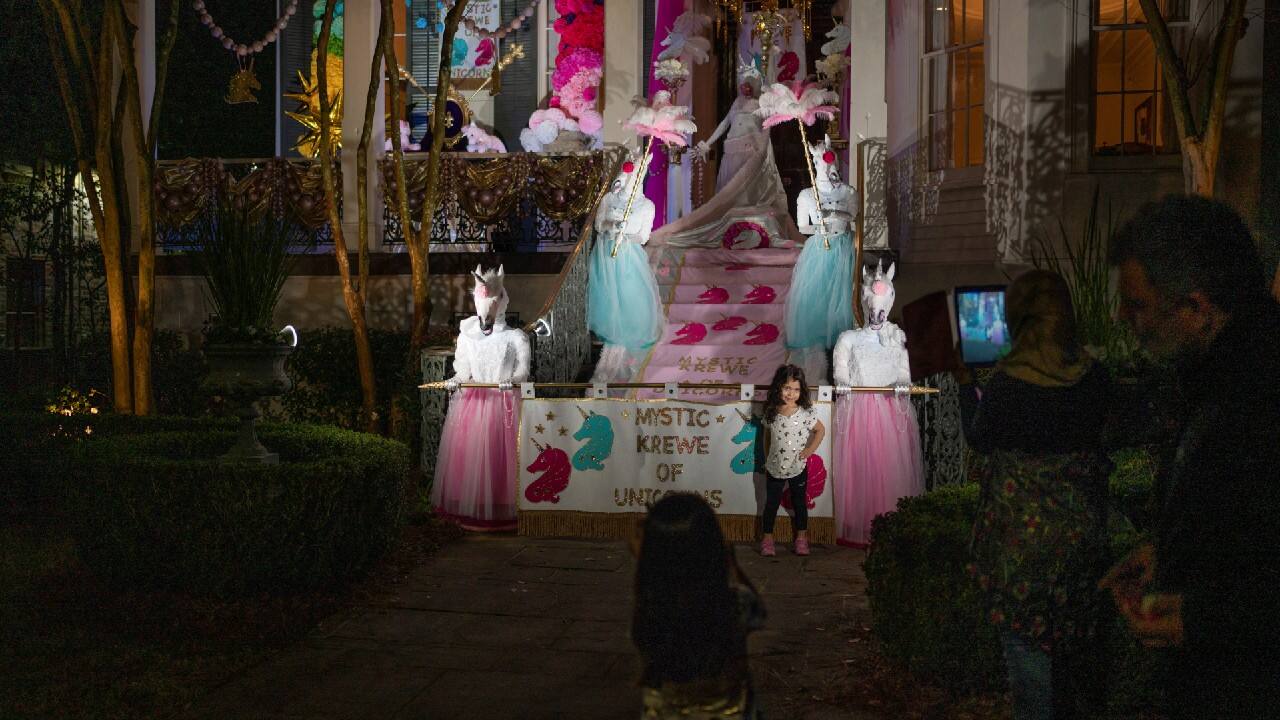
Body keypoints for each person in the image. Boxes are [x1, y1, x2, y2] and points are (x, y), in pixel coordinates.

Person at [1099, 195, 1280, 719]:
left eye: (1137, 305)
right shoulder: (1213, 380)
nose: (1123, 320)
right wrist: (1169, 552)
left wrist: (1202, 618)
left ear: (1198, 309)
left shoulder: (1259, 395)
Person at [956, 269, 1114, 720]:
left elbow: (980, 440)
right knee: (1075, 669)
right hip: (1081, 543)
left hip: (1019, 552)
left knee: (1030, 672)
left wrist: (967, 383)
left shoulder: (1008, 385)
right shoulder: (1095, 379)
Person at [633, 493, 766, 720]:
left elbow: (647, 583)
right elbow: (759, 613)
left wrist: (644, 558)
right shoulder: (734, 604)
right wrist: (732, 563)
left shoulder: (651, 611)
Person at [831, 261, 923, 547]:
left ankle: (888, 520)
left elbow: (905, 372)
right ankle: (857, 521)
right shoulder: (848, 339)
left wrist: (902, 383)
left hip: (888, 411)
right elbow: (841, 370)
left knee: (888, 466)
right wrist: (843, 381)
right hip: (858, 412)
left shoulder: (897, 339)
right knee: (860, 466)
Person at [759, 364, 825, 557]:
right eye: (787, 388)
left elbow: (820, 431)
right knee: (771, 503)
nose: (791, 393)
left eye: (796, 389)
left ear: (801, 390)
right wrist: (766, 458)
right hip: (775, 467)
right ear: (778, 387)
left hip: (798, 467)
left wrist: (809, 450)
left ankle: (802, 538)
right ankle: (767, 539)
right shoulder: (771, 411)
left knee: (799, 504)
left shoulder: (805, 412)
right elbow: (766, 437)